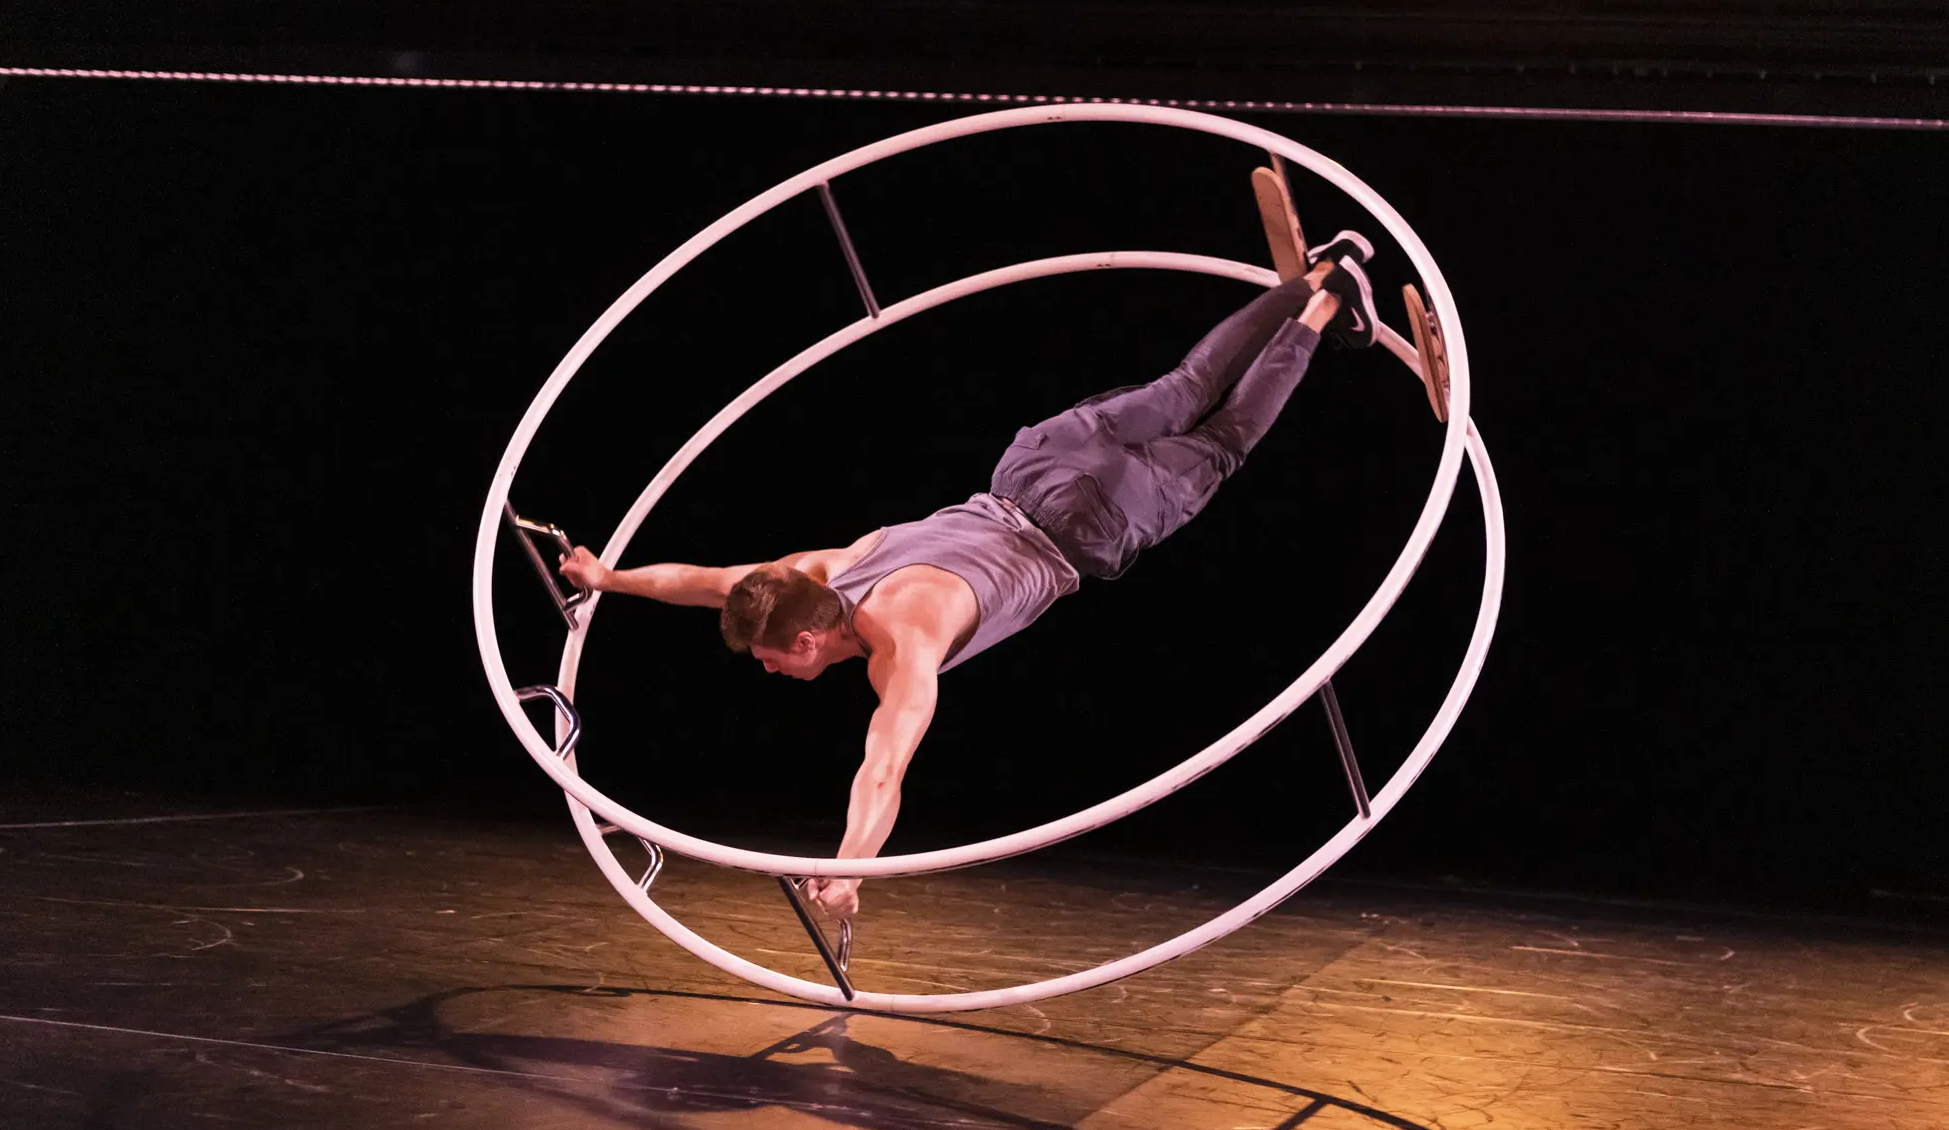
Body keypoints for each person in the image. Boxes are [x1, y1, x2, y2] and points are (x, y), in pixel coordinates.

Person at [558, 234, 1380, 922]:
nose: (771, 670)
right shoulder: (821, 569)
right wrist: (610, 577)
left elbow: (882, 768)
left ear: (810, 638)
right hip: (1037, 463)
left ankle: (1327, 301)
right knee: (1187, 386)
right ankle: (1318, 271)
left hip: (1086, 524)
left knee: (1228, 436)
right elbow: (704, 581)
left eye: (774, 659)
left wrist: (850, 872)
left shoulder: (900, 645)